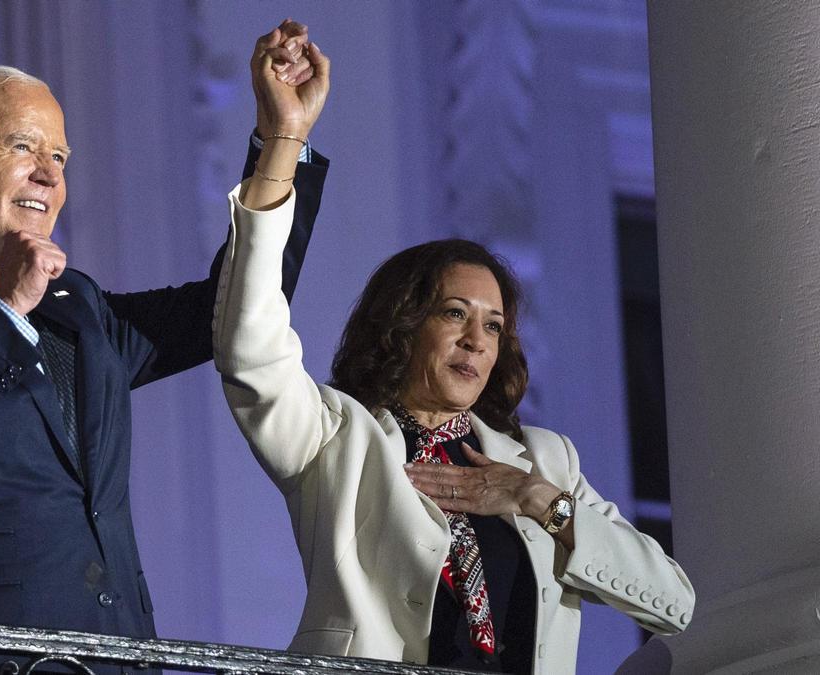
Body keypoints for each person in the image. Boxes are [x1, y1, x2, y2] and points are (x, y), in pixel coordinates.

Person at [0, 21, 327, 656]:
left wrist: (284, 139)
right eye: (23, 148)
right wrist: (6, 309)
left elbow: (229, 311)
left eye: (59, 158)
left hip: (115, 652)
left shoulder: (75, 305)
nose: (49, 176)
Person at [215, 36, 693, 673]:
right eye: (454, 314)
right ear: (403, 326)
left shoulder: (546, 461)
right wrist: (284, 141)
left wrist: (537, 500)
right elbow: (252, 348)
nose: (477, 340)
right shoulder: (337, 438)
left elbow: (675, 604)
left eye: (494, 327)